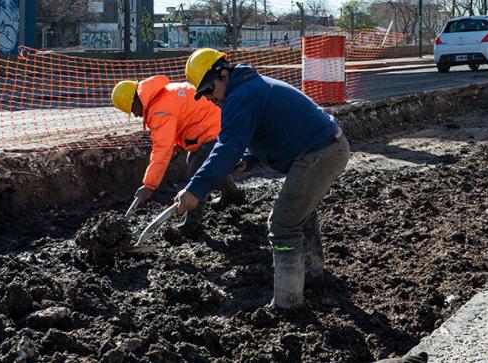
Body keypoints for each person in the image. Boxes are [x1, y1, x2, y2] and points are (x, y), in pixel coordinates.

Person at [173, 48, 350, 310]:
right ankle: (312, 274)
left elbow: (227, 146)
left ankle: (288, 303)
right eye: (203, 95)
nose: (209, 98)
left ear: (223, 74)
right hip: (325, 146)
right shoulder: (248, 89)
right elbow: (263, 132)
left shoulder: (241, 95)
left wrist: (195, 188)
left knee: (282, 225)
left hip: (320, 151)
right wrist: (248, 160)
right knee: (300, 213)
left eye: (209, 90)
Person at [111, 76, 244, 236]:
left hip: (214, 129)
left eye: (132, 110)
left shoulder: (159, 110)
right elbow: (179, 124)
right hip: (212, 125)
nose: (136, 115)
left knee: (197, 172)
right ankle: (232, 194)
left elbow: (162, 149)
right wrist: (174, 149)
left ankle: (192, 224)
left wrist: (149, 186)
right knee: (203, 162)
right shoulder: (160, 96)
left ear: (134, 101)